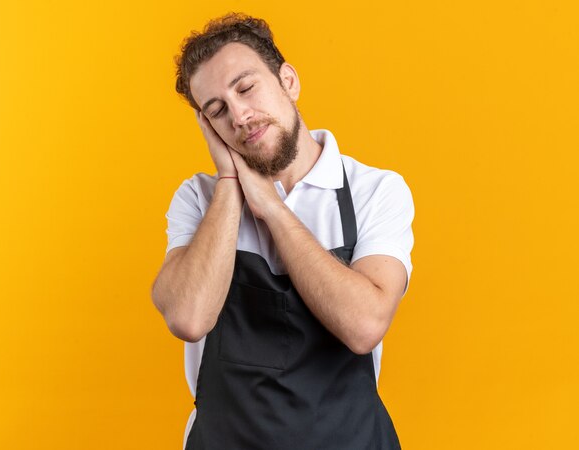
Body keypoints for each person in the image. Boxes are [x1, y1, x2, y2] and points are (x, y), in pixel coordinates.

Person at [151, 12, 414, 450]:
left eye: (246, 87)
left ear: (288, 81)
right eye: (215, 110)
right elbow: (188, 317)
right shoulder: (199, 198)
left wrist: (271, 207)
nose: (238, 115)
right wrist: (231, 184)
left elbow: (364, 324)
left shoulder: (375, 190)